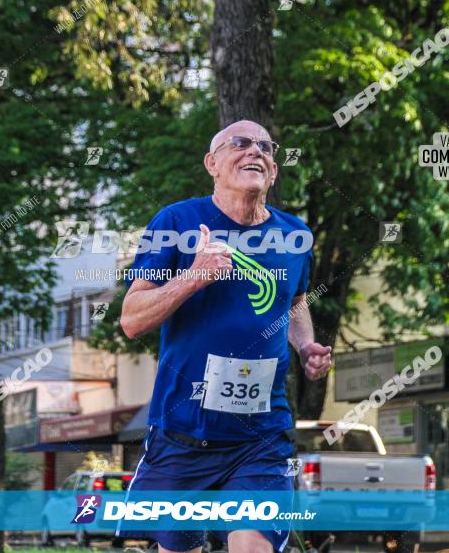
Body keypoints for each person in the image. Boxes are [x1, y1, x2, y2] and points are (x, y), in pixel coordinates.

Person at [118, 120, 333, 553]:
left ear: (273, 170)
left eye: (265, 147)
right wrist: (193, 278)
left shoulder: (293, 235)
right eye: (240, 143)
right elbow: (132, 319)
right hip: (184, 430)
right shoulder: (177, 222)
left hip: (261, 434)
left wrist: (305, 344)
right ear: (212, 164)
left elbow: (295, 302)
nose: (255, 150)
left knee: (254, 543)